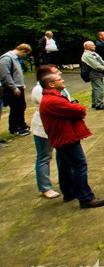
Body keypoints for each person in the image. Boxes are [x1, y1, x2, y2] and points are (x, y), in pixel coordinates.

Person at [39, 72, 104, 208]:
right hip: (66, 137)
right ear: (51, 84)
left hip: (61, 136)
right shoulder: (54, 101)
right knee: (79, 165)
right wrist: (77, 107)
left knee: (64, 165)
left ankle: (69, 192)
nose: (63, 80)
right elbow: (79, 110)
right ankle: (85, 197)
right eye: (59, 79)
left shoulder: (50, 98)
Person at [30, 65, 69, 198]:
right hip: (43, 127)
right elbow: (54, 106)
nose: (59, 73)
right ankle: (45, 187)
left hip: (58, 125)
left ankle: (65, 182)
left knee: (62, 155)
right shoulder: (40, 90)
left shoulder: (56, 86)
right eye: (55, 72)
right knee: (44, 156)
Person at [1, 44, 32, 134]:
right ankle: (15, 128)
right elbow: (5, 75)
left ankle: (22, 124)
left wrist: (21, 85)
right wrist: (13, 87)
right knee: (16, 108)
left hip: (18, 86)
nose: (25, 56)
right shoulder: (6, 58)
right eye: (26, 54)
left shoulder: (15, 59)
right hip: (12, 88)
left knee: (21, 107)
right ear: (23, 51)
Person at [81, 41, 104, 110]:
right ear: (87, 47)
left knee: (95, 88)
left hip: (98, 72)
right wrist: (103, 68)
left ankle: (95, 102)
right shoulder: (87, 55)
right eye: (92, 45)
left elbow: (100, 60)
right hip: (94, 73)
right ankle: (99, 104)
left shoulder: (93, 53)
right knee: (98, 88)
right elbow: (95, 65)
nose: (95, 46)